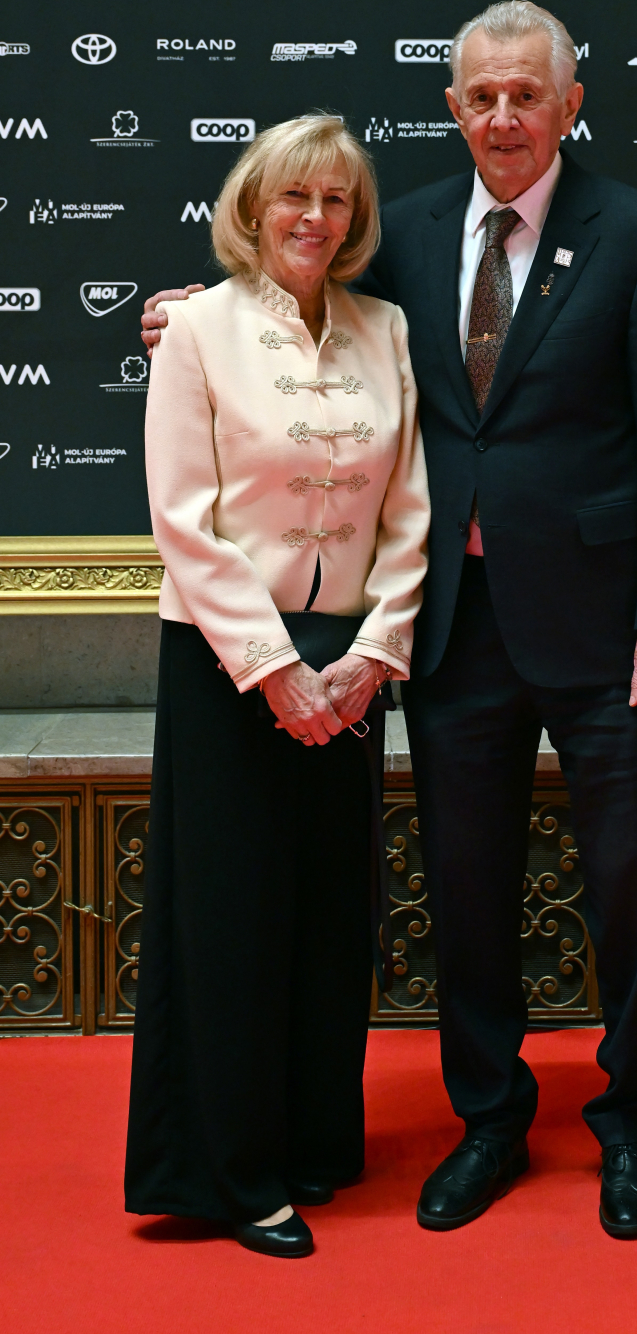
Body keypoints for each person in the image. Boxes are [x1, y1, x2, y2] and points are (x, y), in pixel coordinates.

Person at [142, 0, 637, 1240]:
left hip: (608, 626)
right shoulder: (395, 236)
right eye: (480, 96)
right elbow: (295, 306)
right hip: (455, 628)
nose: (503, 117)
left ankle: (630, 1122)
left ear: (569, 104)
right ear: (451, 108)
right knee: (465, 887)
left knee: (629, 886)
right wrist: (194, 307)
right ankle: (489, 1117)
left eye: (525, 94)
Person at [125, 115, 430, 1258]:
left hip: (349, 667)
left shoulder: (385, 328)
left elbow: (411, 507)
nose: (315, 217)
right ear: (252, 209)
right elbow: (183, 518)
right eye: (294, 196)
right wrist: (271, 668)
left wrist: (375, 650)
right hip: (227, 659)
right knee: (233, 919)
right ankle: (232, 1171)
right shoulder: (196, 328)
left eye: (337, 199)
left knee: (327, 914)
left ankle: (310, 1139)